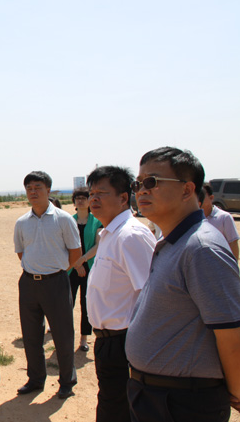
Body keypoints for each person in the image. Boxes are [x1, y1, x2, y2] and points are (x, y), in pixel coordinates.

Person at [127, 147, 240, 421]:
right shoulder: (175, 240)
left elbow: (231, 332)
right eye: (138, 184)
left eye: (152, 182)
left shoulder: (201, 248)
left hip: (183, 403)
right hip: (155, 396)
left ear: (188, 190)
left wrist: (237, 392)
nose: (141, 191)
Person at [85, 166, 156, 422]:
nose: (93, 199)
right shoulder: (108, 235)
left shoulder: (130, 236)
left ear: (124, 197)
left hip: (126, 343)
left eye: (101, 193)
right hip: (108, 343)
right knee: (112, 405)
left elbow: (152, 296)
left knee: (120, 411)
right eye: (91, 193)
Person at [14, 171, 81, 399]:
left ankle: (66, 382)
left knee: (63, 335)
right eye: (29, 188)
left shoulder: (63, 219)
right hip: (29, 283)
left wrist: (56, 270)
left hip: (56, 283)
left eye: (38, 187)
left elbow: (75, 253)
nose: (33, 192)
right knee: (31, 336)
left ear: (48, 190)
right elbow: (21, 252)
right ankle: (35, 379)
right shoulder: (22, 222)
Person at [67, 187, 102, 352]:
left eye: (84, 197)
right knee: (68, 303)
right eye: (77, 198)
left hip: (89, 267)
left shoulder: (97, 221)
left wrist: (82, 260)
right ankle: (66, 337)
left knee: (86, 304)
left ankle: (83, 339)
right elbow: (64, 245)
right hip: (71, 269)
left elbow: (98, 244)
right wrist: (76, 264)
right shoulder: (68, 220)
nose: (80, 200)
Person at [198, 183, 239, 260]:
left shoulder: (224, 217)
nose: (199, 198)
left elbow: (233, 243)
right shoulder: (194, 218)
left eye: (202, 196)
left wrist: (234, 266)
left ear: (211, 198)